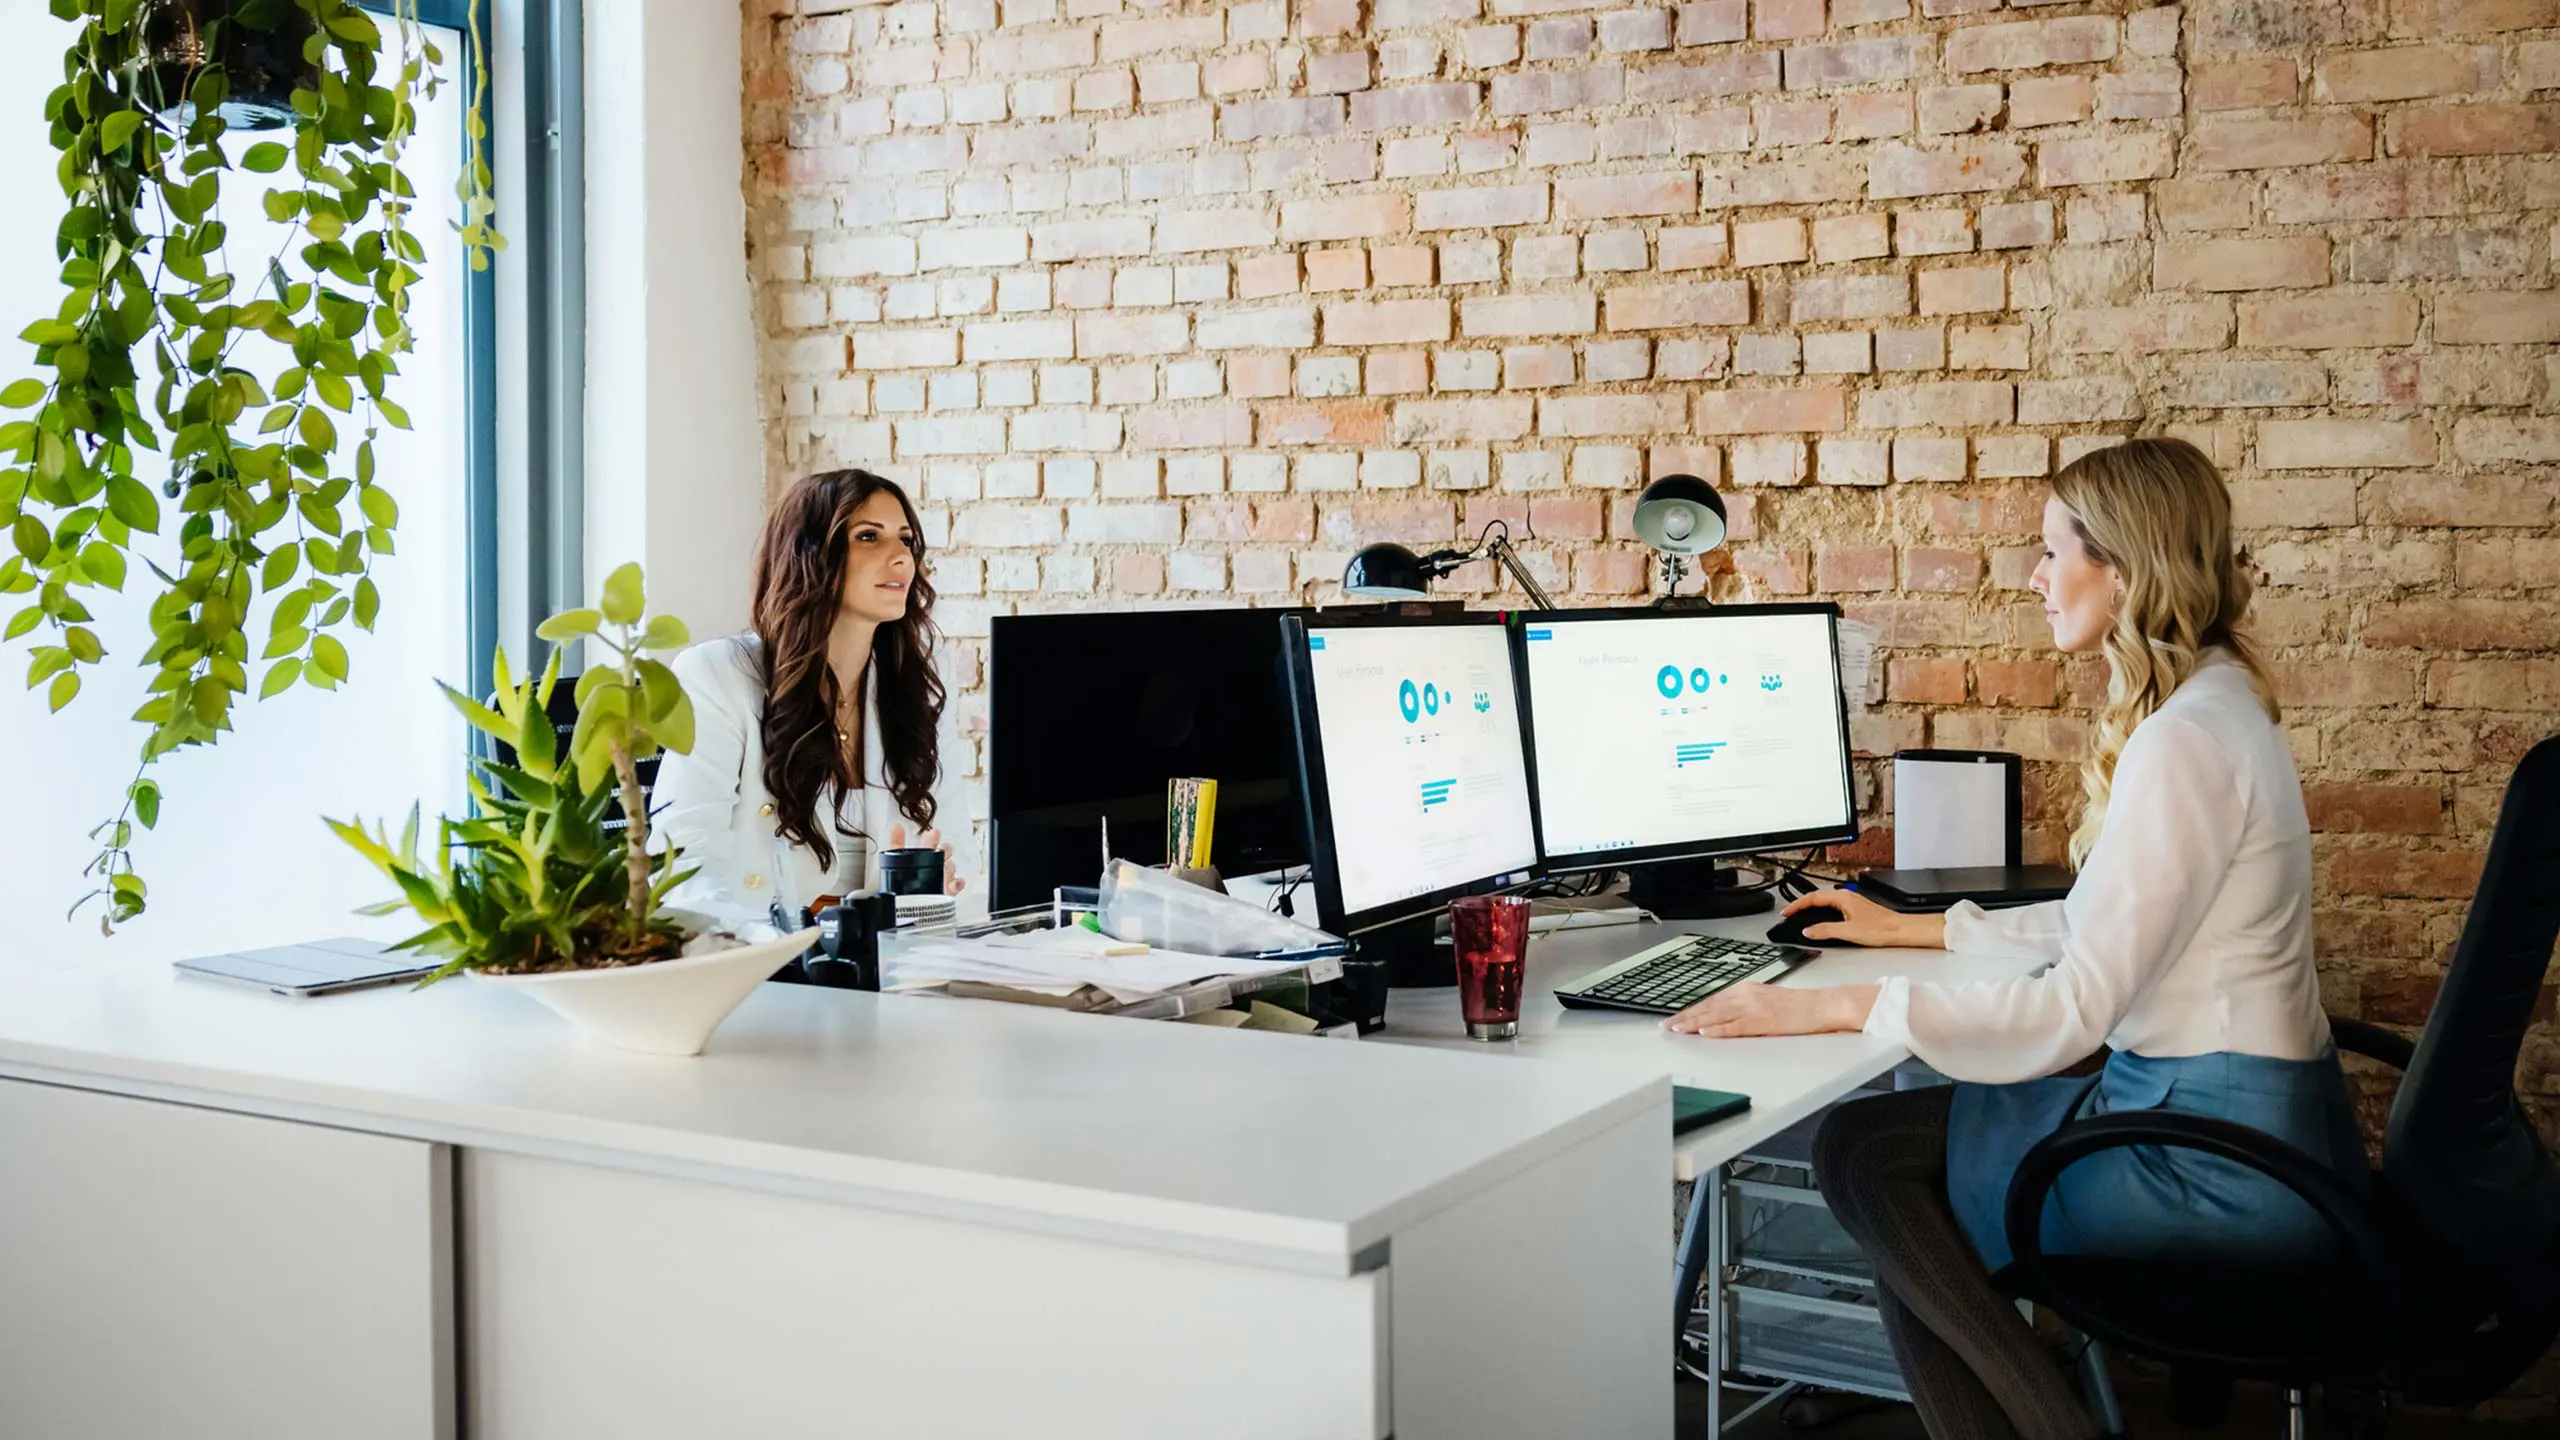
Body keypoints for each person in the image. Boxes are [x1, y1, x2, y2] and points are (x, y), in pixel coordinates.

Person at [1663, 438, 2366, 1440]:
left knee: (1868, 1162)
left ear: (2119, 567)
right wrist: (1919, 931)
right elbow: (2107, 923)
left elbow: (2074, 1007)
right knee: (1885, 1163)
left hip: (2211, 1165)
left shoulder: (2184, 742)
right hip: (2243, 1126)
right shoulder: (2215, 701)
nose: (2035, 579)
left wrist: (1824, 1001)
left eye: (2050, 553)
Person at [653, 469, 962, 927]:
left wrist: (934, 892)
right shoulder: (719, 676)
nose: (901, 557)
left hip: (887, 965)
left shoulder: (921, 677)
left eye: (906, 539)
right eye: (869, 537)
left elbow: (957, 848)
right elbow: (682, 864)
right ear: (810, 556)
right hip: (762, 967)